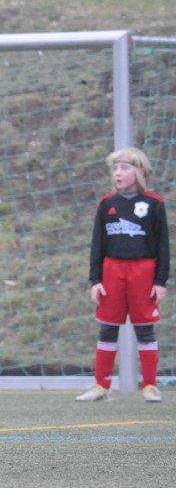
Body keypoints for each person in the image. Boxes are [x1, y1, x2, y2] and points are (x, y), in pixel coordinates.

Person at [82, 147, 167, 403]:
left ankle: (150, 385)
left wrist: (160, 281)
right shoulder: (107, 203)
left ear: (140, 171)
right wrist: (95, 280)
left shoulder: (154, 203)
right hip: (112, 271)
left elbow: (163, 246)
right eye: (115, 168)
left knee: (145, 331)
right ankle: (101, 385)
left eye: (124, 167)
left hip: (143, 271)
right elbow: (97, 245)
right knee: (108, 329)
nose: (117, 173)